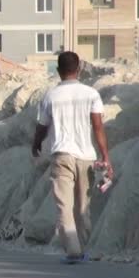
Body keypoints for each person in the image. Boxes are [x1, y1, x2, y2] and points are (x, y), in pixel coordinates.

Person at [32, 51, 113, 264]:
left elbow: (41, 127)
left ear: (58, 71)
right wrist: (106, 157)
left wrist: (36, 145)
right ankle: (82, 249)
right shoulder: (91, 94)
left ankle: (73, 250)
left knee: (63, 206)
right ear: (79, 69)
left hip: (62, 156)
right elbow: (98, 128)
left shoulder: (50, 96)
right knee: (83, 206)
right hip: (86, 157)